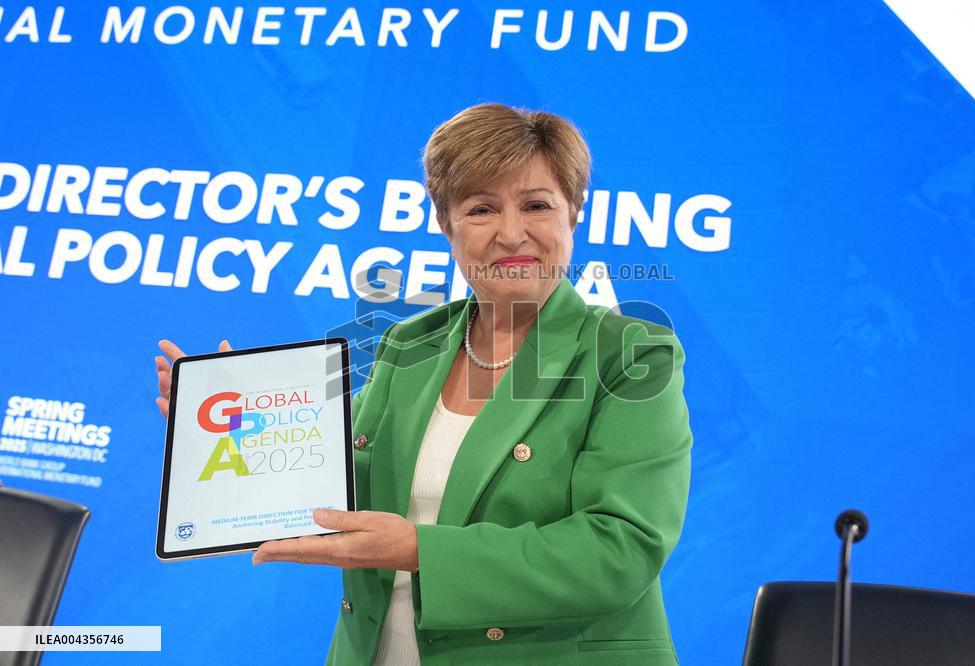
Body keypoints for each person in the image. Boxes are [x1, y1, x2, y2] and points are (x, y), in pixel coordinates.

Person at [155, 103, 693, 665]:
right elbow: (333, 489)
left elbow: (620, 551)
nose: (512, 234)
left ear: (573, 213)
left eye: (536, 205)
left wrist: (419, 551)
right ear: (447, 224)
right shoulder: (411, 343)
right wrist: (238, 433)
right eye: (481, 208)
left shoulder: (632, 355)